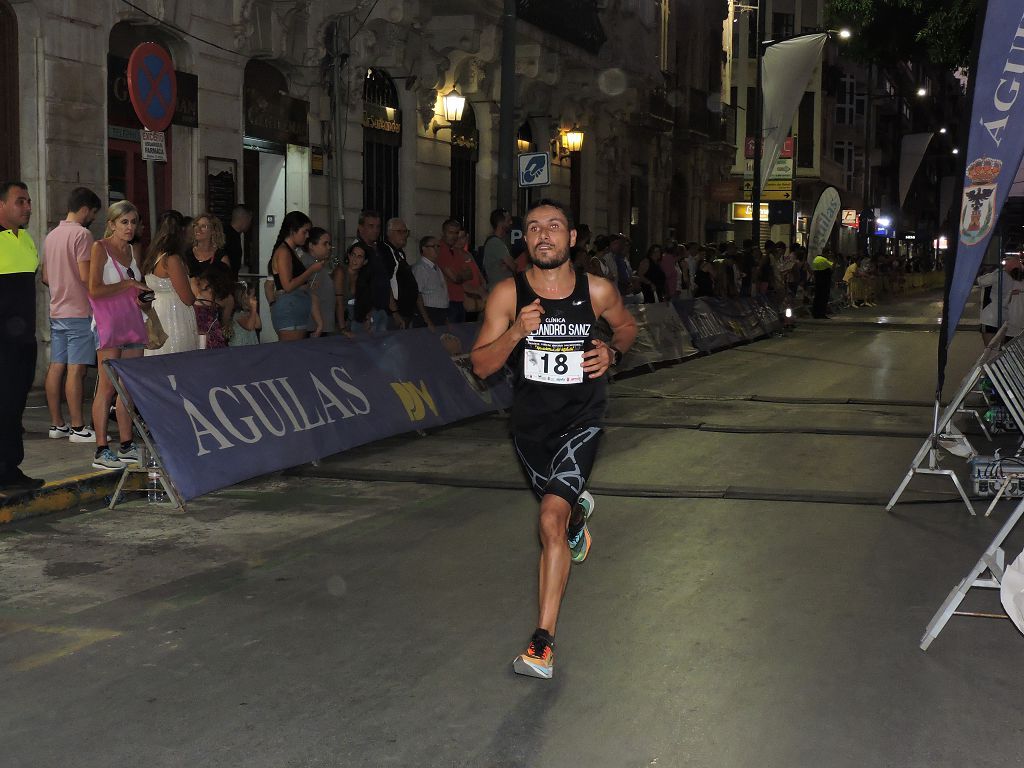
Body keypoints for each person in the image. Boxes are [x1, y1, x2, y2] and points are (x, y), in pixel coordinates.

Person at [470, 199, 637, 680]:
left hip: (582, 419)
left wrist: (612, 352)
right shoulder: (508, 294)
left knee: (548, 518)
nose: (544, 235)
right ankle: (579, 512)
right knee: (560, 514)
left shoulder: (597, 290)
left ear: (572, 239)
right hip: (529, 427)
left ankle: (541, 644)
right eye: (534, 228)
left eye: (554, 227)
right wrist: (516, 335)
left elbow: (627, 327)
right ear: (525, 239)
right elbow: (481, 366)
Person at [87, 200, 149, 471]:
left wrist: (144, 297)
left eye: (133, 222)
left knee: (129, 385)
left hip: (133, 321)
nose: (130, 227)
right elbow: (94, 290)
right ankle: (101, 448)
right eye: (124, 222)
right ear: (111, 224)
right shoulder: (100, 248)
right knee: (107, 386)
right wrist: (129, 284)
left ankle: (126, 444)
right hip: (109, 323)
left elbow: (133, 290)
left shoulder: (133, 250)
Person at [42, 186, 101, 444]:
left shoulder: (51, 235)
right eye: (94, 213)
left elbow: (45, 277)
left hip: (57, 310)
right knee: (76, 371)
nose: (93, 218)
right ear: (85, 209)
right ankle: (78, 427)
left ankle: (58, 424)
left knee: (57, 367)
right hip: (78, 310)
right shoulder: (82, 235)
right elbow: (86, 277)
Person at [0, 181, 45, 491]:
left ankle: (10, 468)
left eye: (28, 201)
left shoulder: (26, 239)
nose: (28, 207)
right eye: (20, 202)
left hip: (24, 341)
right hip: (2, 343)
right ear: (2, 205)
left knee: (14, 406)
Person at [141, 211, 198, 355]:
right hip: (174, 316)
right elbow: (187, 298)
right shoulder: (172, 259)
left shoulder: (153, 256)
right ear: (181, 231)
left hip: (157, 311)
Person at [268, 210, 323, 341]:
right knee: (291, 354)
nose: (307, 235)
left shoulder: (291, 251)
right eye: (304, 232)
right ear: (293, 230)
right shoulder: (284, 252)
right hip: (290, 308)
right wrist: (310, 271)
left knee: (295, 354)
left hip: (296, 307)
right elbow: (288, 285)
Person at [382, 217, 420, 328]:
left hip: (405, 311)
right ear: (389, 233)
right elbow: (385, 283)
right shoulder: (385, 251)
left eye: (406, 232)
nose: (404, 235)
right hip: (394, 314)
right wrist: (394, 312)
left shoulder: (399, 252)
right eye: (400, 231)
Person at [437, 217, 473, 322]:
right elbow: (455, 278)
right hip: (448, 301)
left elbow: (469, 274)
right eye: (450, 232)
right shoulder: (440, 249)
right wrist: (460, 275)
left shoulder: (456, 251)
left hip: (459, 299)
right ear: (443, 232)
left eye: (456, 233)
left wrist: (458, 276)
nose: (454, 236)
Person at [411, 235, 449, 331]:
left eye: (438, 246)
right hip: (429, 312)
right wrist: (427, 320)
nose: (436, 249)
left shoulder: (436, 268)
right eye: (433, 246)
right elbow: (417, 295)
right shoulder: (421, 268)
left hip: (440, 313)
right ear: (424, 248)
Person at [302, 227, 334, 335]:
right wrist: (319, 325)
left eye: (329, 244)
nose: (329, 247)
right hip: (315, 328)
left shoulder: (318, 264)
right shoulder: (311, 266)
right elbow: (311, 296)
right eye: (325, 244)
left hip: (321, 326)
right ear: (311, 245)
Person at [482, 208, 516, 288]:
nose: (511, 223)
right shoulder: (495, 243)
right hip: (498, 288)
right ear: (501, 222)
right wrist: (512, 265)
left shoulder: (496, 241)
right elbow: (513, 266)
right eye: (508, 220)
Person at [223, 204, 253, 277]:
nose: (250, 223)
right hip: (225, 281)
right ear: (245, 218)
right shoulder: (227, 236)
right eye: (250, 219)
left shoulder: (232, 234)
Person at [229, 282, 261, 346]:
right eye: (253, 296)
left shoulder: (249, 313)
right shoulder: (237, 314)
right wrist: (253, 308)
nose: (255, 298)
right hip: (240, 348)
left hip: (249, 346)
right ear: (244, 298)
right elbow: (249, 327)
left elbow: (258, 325)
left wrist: (253, 310)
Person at [811, 250, 835, 318]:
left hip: (818, 282)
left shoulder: (815, 259)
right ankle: (821, 313)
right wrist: (833, 259)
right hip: (824, 282)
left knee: (817, 297)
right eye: (828, 253)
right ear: (825, 253)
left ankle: (815, 313)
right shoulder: (823, 260)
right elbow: (832, 268)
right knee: (823, 298)